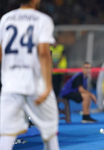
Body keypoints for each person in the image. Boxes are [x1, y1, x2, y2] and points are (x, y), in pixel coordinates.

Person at [0, 0, 59, 150]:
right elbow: (44, 54)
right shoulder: (43, 19)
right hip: (36, 84)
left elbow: (1, 53)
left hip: (11, 86)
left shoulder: (5, 19)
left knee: (6, 135)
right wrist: (48, 87)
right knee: (50, 134)